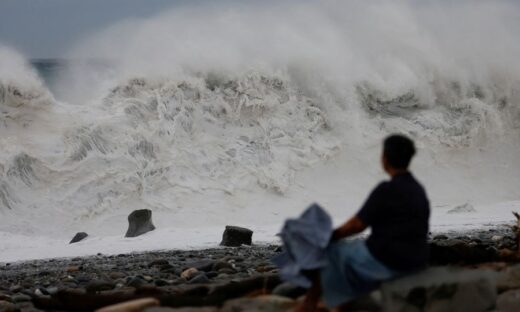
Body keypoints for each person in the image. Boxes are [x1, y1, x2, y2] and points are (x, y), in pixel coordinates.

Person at [296, 134, 430, 312]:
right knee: (352, 253)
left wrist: (329, 237)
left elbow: (356, 226)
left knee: (331, 252)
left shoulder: (386, 190)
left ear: (385, 158)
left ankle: (309, 305)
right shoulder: (418, 190)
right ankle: (343, 302)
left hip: (388, 261)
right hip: (416, 258)